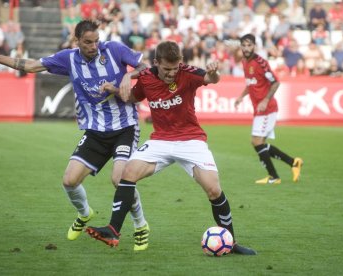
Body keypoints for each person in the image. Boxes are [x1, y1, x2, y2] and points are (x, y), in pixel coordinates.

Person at [0, 20, 150, 251]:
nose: (94, 46)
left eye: (96, 41)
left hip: (125, 127)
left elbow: (145, 67)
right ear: (77, 41)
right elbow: (31, 65)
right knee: (69, 180)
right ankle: (85, 213)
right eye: (87, 42)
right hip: (96, 131)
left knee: (120, 179)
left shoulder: (113, 49)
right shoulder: (69, 59)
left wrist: (129, 75)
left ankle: (141, 226)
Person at [85, 40, 257, 255]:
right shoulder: (147, 77)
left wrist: (214, 73)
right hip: (160, 140)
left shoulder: (188, 73)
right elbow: (134, 97)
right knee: (126, 175)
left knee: (213, 189)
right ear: (157, 62)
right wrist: (115, 88)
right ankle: (113, 230)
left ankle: (230, 243)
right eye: (167, 69)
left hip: (191, 140)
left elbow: (210, 78)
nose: (171, 74)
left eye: (175, 68)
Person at [234, 34, 303, 185]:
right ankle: (293, 163)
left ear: (254, 46)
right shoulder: (245, 62)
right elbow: (250, 83)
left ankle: (274, 176)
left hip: (267, 109)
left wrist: (265, 100)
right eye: (244, 45)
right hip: (259, 109)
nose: (246, 48)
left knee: (256, 141)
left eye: (249, 45)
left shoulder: (260, 62)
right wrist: (241, 97)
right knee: (261, 144)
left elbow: (275, 83)